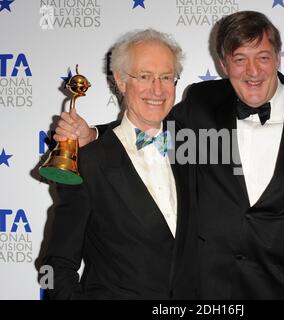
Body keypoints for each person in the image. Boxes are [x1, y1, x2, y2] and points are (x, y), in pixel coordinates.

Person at [53, 11, 284, 299]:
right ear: (223, 64)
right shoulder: (203, 103)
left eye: (263, 57)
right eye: (240, 59)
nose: (252, 71)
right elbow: (149, 130)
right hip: (210, 294)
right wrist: (94, 135)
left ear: (278, 59)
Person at [41, 29, 197, 299]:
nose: (157, 90)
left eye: (166, 77)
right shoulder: (89, 163)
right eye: (145, 77)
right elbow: (55, 267)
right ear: (121, 81)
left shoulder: (194, 148)